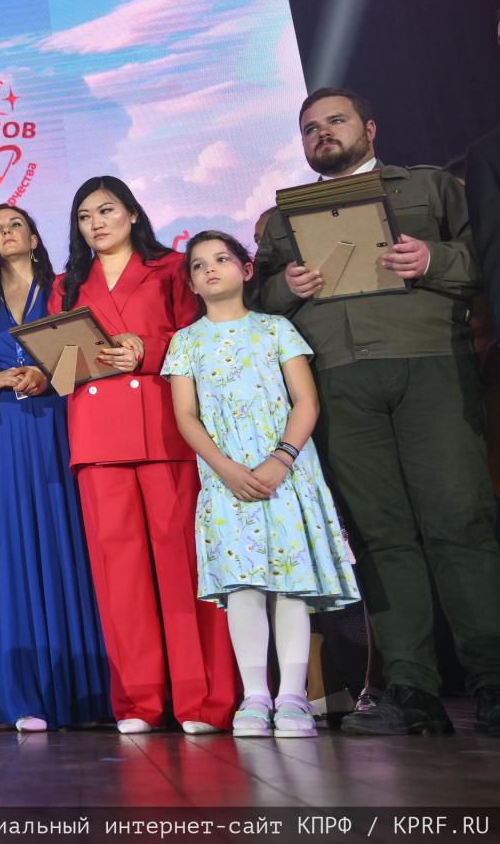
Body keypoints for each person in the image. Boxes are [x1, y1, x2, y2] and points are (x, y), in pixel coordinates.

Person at [256, 87, 500, 736]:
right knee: (380, 535)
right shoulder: (282, 219)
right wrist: (286, 286)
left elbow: (487, 258)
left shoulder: (430, 187)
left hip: (431, 366)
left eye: (335, 121)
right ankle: (412, 690)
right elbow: (256, 305)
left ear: (369, 128)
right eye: (310, 128)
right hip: (338, 382)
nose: (322, 133)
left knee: (461, 522)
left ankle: (493, 681)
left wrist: (433, 259)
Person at [51, 176, 237, 735]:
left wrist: (147, 349)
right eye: (85, 216)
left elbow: (199, 339)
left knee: (184, 569)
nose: (96, 223)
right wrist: (58, 365)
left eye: (107, 210)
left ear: (132, 213)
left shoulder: (171, 269)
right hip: (97, 438)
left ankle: (203, 699)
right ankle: (138, 700)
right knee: (120, 577)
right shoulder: (67, 285)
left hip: (164, 430)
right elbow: (60, 370)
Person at [164, 231, 360, 739]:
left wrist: (282, 458)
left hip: (287, 474)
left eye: (221, 259)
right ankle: (255, 696)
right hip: (226, 478)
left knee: (289, 584)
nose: (210, 269)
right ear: (191, 284)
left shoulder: (276, 329)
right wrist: (225, 468)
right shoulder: (185, 342)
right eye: (199, 265)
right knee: (244, 585)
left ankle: (292, 696)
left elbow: (306, 401)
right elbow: (186, 416)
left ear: (247, 269)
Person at [0, 204, 109, 733]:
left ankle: (85, 691)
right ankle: (19, 693)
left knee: (68, 544)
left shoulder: (67, 289)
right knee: (8, 551)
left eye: (15, 225)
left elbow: (93, 352)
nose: (5, 233)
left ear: (33, 236)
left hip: (59, 425)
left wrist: (48, 375)